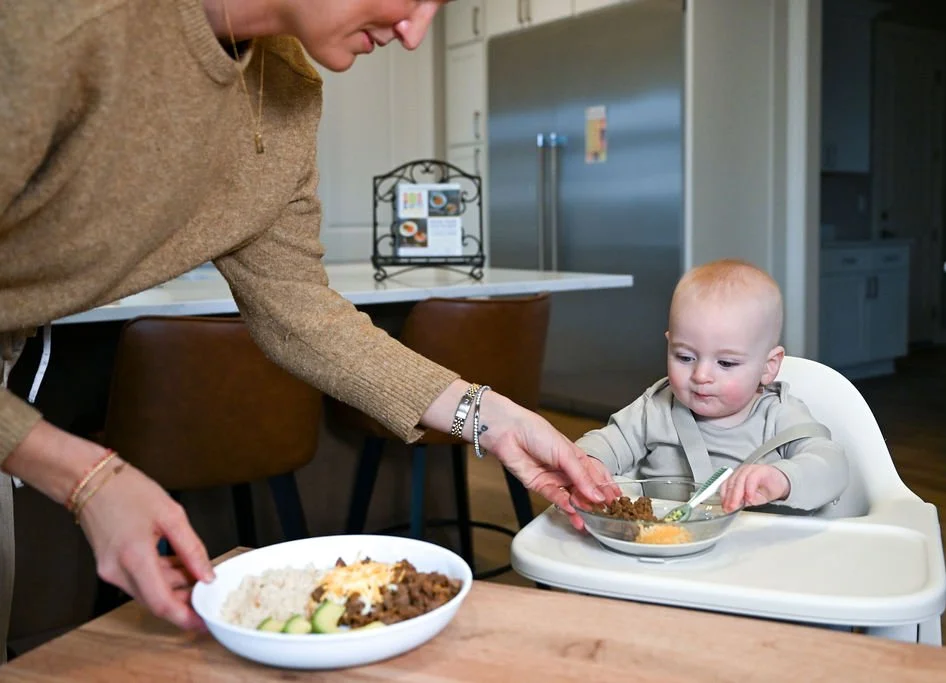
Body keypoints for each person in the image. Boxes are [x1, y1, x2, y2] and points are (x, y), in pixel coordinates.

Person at [0, 0, 617, 651]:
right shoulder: (63, 26)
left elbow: (299, 310)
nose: (414, 34)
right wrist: (86, 477)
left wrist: (493, 418)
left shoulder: (287, 90)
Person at [575, 259, 848, 514]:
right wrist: (590, 462)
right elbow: (605, 443)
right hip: (665, 541)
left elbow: (832, 466)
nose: (701, 375)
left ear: (768, 366)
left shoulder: (778, 415)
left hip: (756, 545)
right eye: (685, 357)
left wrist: (784, 478)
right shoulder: (656, 408)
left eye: (726, 363)